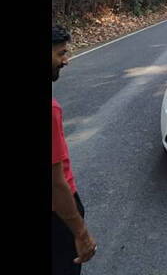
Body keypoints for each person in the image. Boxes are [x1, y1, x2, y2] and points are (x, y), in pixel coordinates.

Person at [52, 25, 97, 274]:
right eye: (60, 54)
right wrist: (81, 233)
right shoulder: (51, 111)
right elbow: (56, 183)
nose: (66, 60)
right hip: (58, 217)